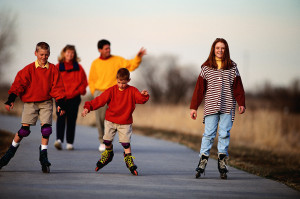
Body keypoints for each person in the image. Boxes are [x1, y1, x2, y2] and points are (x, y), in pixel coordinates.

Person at [0, 42, 66, 173]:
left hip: (46, 101)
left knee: (46, 130)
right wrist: (11, 99)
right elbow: (19, 84)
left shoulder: (53, 69)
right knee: (24, 130)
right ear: (36, 53)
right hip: (30, 102)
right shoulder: (29, 69)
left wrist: (60, 104)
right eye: (41, 54)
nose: (44, 57)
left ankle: (43, 155)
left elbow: (58, 88)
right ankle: (9, 153)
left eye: (46, 55)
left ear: (49, 54)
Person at [190, 38, 246, 179]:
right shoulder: (207, 67)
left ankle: (222, 162)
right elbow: (199, 89)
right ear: (213, 50)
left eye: (222, 48)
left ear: (226, 50)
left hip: (227, 106)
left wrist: (241, 103)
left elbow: (238, 87)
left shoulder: (232, 67)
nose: (220, 50)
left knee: (224, 134)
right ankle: (203, 161)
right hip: (211, 106)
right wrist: (194, 107)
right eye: (217, 48)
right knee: (208, 134)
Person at [82, 68, 149, 175]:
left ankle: (129, 160)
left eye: (123, 83)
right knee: (107, 141)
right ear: (116, 80)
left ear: (128, 80)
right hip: (110, 121)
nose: (121, 85)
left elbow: (140, 99)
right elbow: (99, 100)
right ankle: (108, 154)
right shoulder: (111, 90)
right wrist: (88, 107)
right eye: (119, 82)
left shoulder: (132, 90)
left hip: (125, 122)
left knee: (125, 143)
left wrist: (144, 95)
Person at [89, 39, 146, 152]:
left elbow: (131, 65)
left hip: (115, 92)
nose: (108, 50)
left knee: (113, 119)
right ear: (100, 50)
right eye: (106, 48)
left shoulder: (117, 60)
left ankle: (109, 141)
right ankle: (102, 141)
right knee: (100, 119)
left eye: (109, 48)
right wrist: (94, 92)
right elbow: (91, 79)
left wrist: (138, 57)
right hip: (100, 92)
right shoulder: (95, 63)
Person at [54, 45, 88, 150]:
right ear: (64, 53)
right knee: (60, 117)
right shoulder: (58, 66)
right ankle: (59, 140)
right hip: (61, 97)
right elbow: (53, 82)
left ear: (75, 55)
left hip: (74, 98)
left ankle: (70, 143)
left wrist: (79, 91)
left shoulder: (79, 67)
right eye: (68, 52)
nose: (70, 55)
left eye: (72, 53)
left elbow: (84, 82)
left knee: (72, 120)